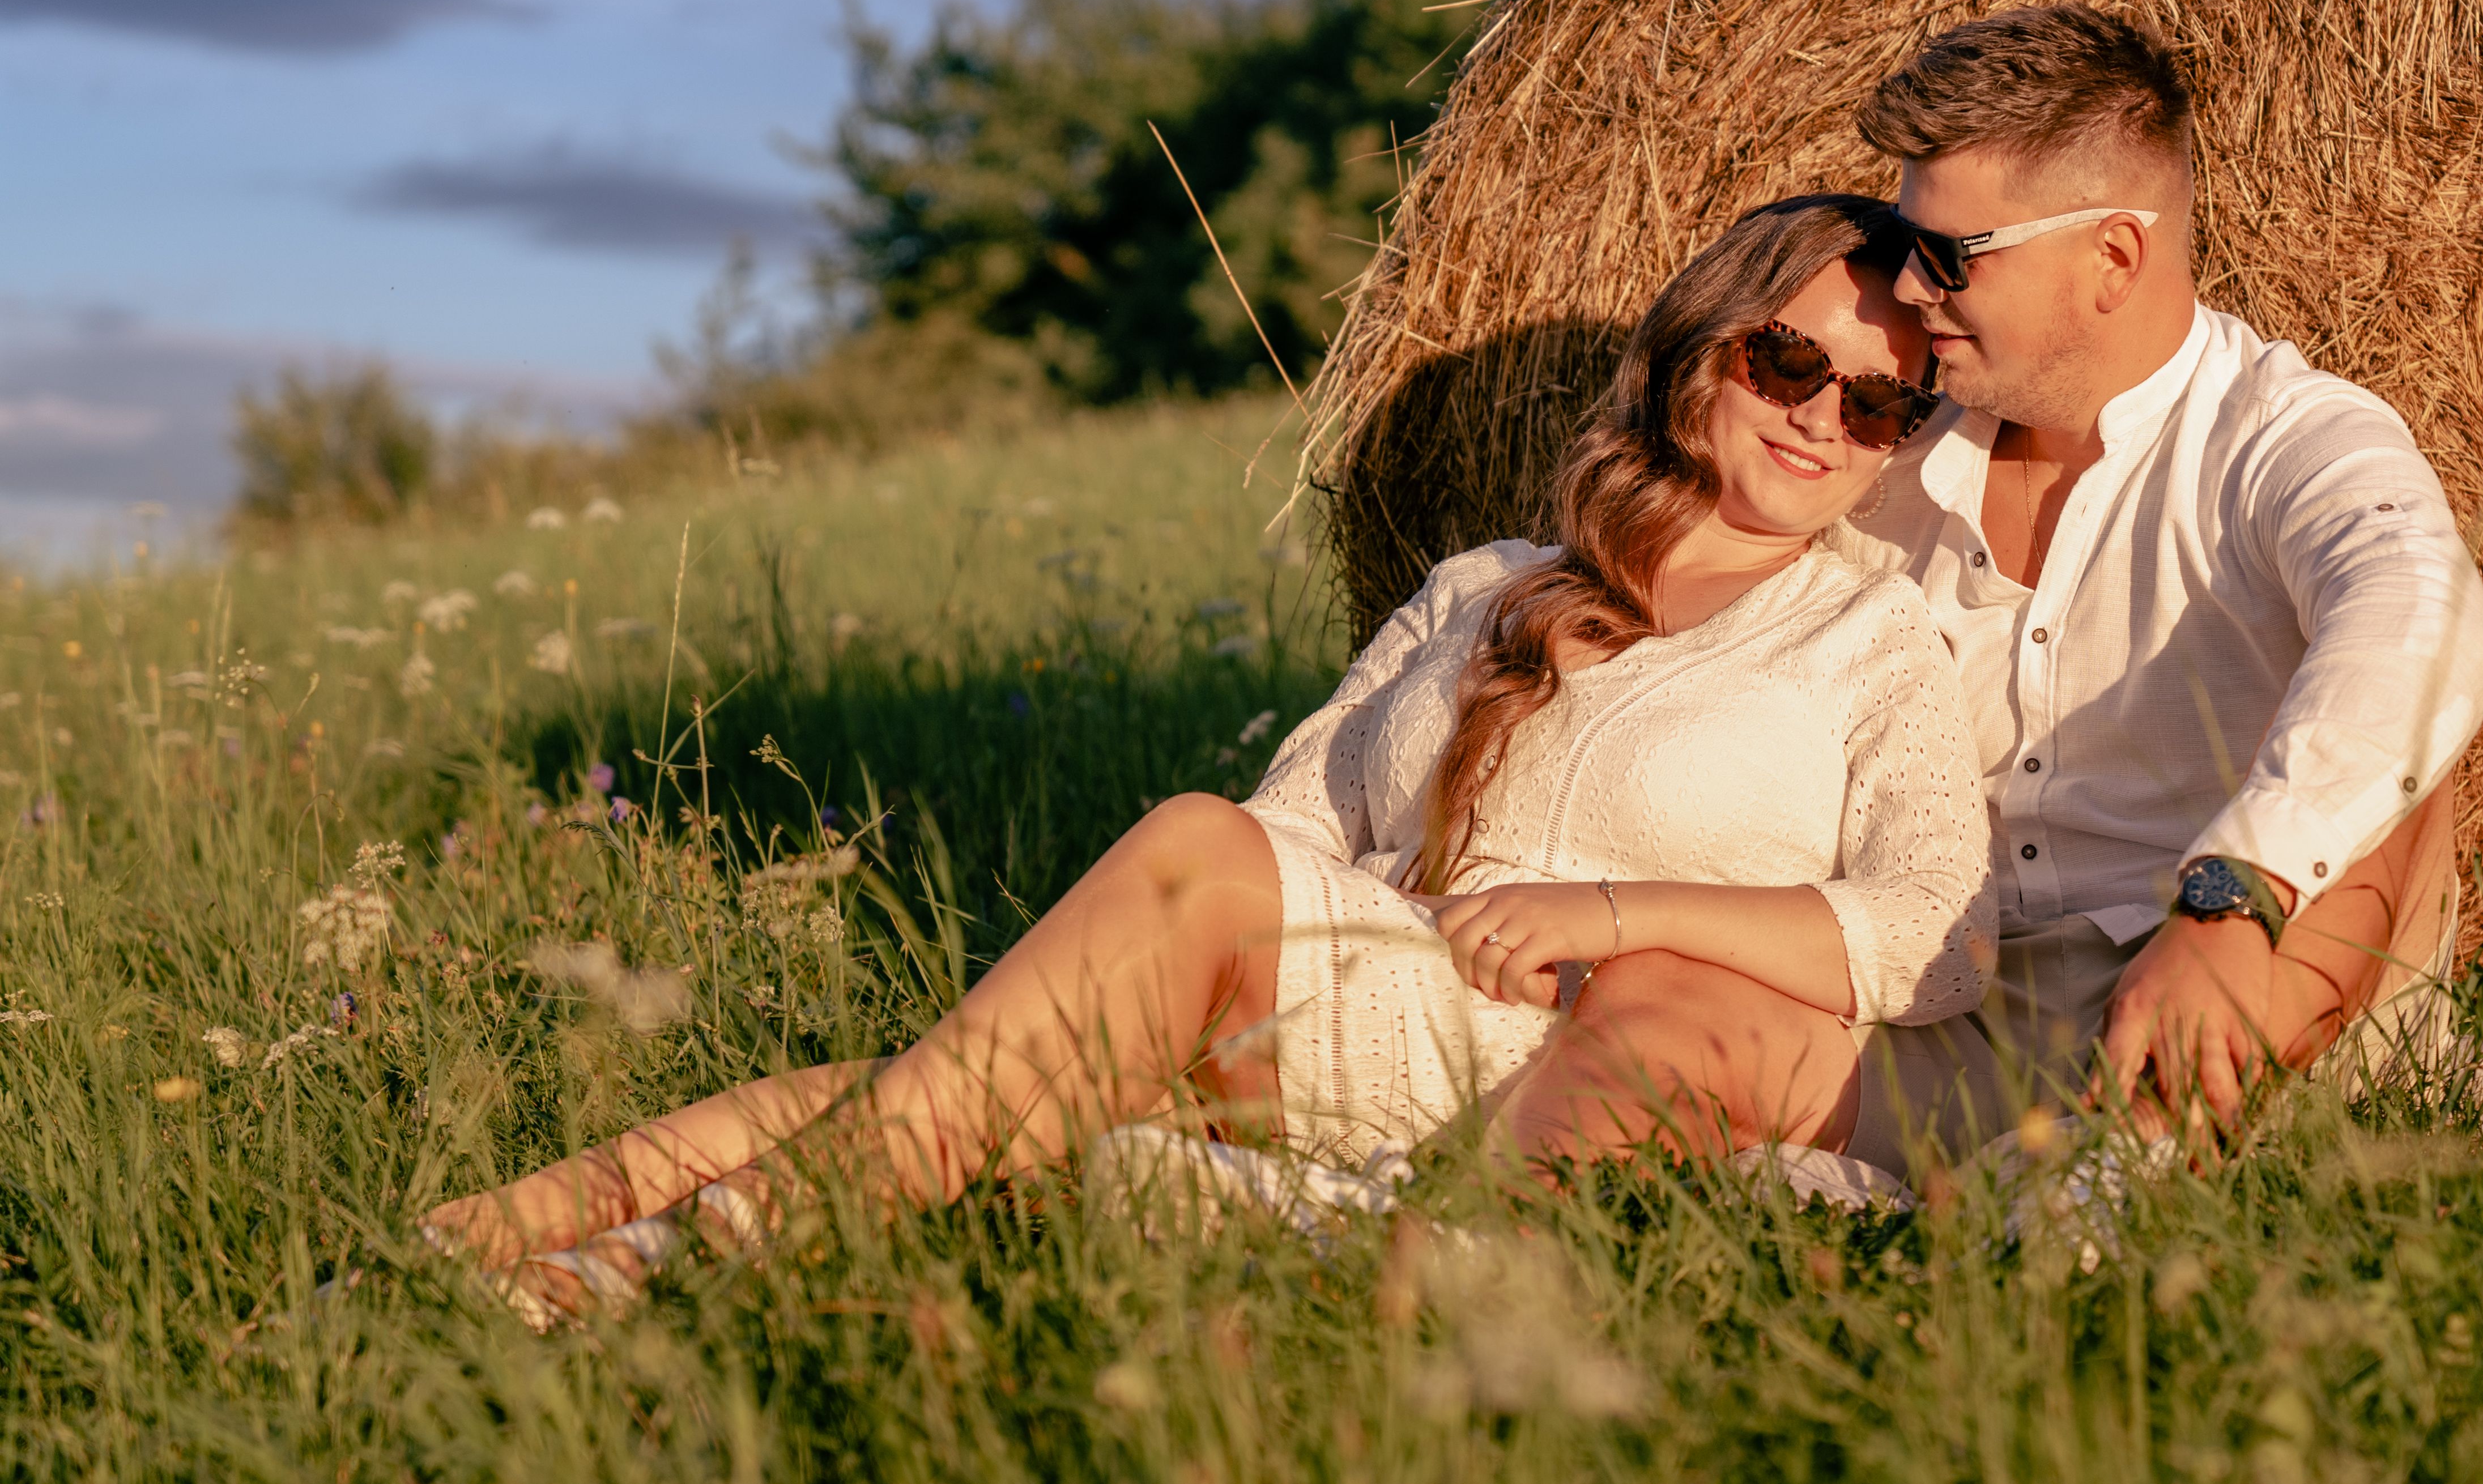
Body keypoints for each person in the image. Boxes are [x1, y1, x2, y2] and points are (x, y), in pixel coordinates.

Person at [428, 195, 1994, 1312]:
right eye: (1793, 367)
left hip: (1552, 1057)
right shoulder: (1481, 591)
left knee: (1012, 1029)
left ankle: (696, 1251)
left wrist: (1618, 915)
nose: (1823, 424)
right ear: (1704, 350)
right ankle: (479, 1247)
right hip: (1358, 989)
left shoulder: (1868, 646)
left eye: (1879, 406)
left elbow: (1937, 935)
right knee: (950, 1085)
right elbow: (1289, 834)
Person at [1501, 6, 2483, 1178]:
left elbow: (2421, 616)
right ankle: (1429, 1266)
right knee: (1654, 1005)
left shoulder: (2284, 439)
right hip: (1959, 1012)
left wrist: (2234, 894)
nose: (1911, 290)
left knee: (2395, 791)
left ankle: (2100, 1198)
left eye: (1953, 255)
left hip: (2237, 986)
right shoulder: (1875, 448)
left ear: (2114, 258)